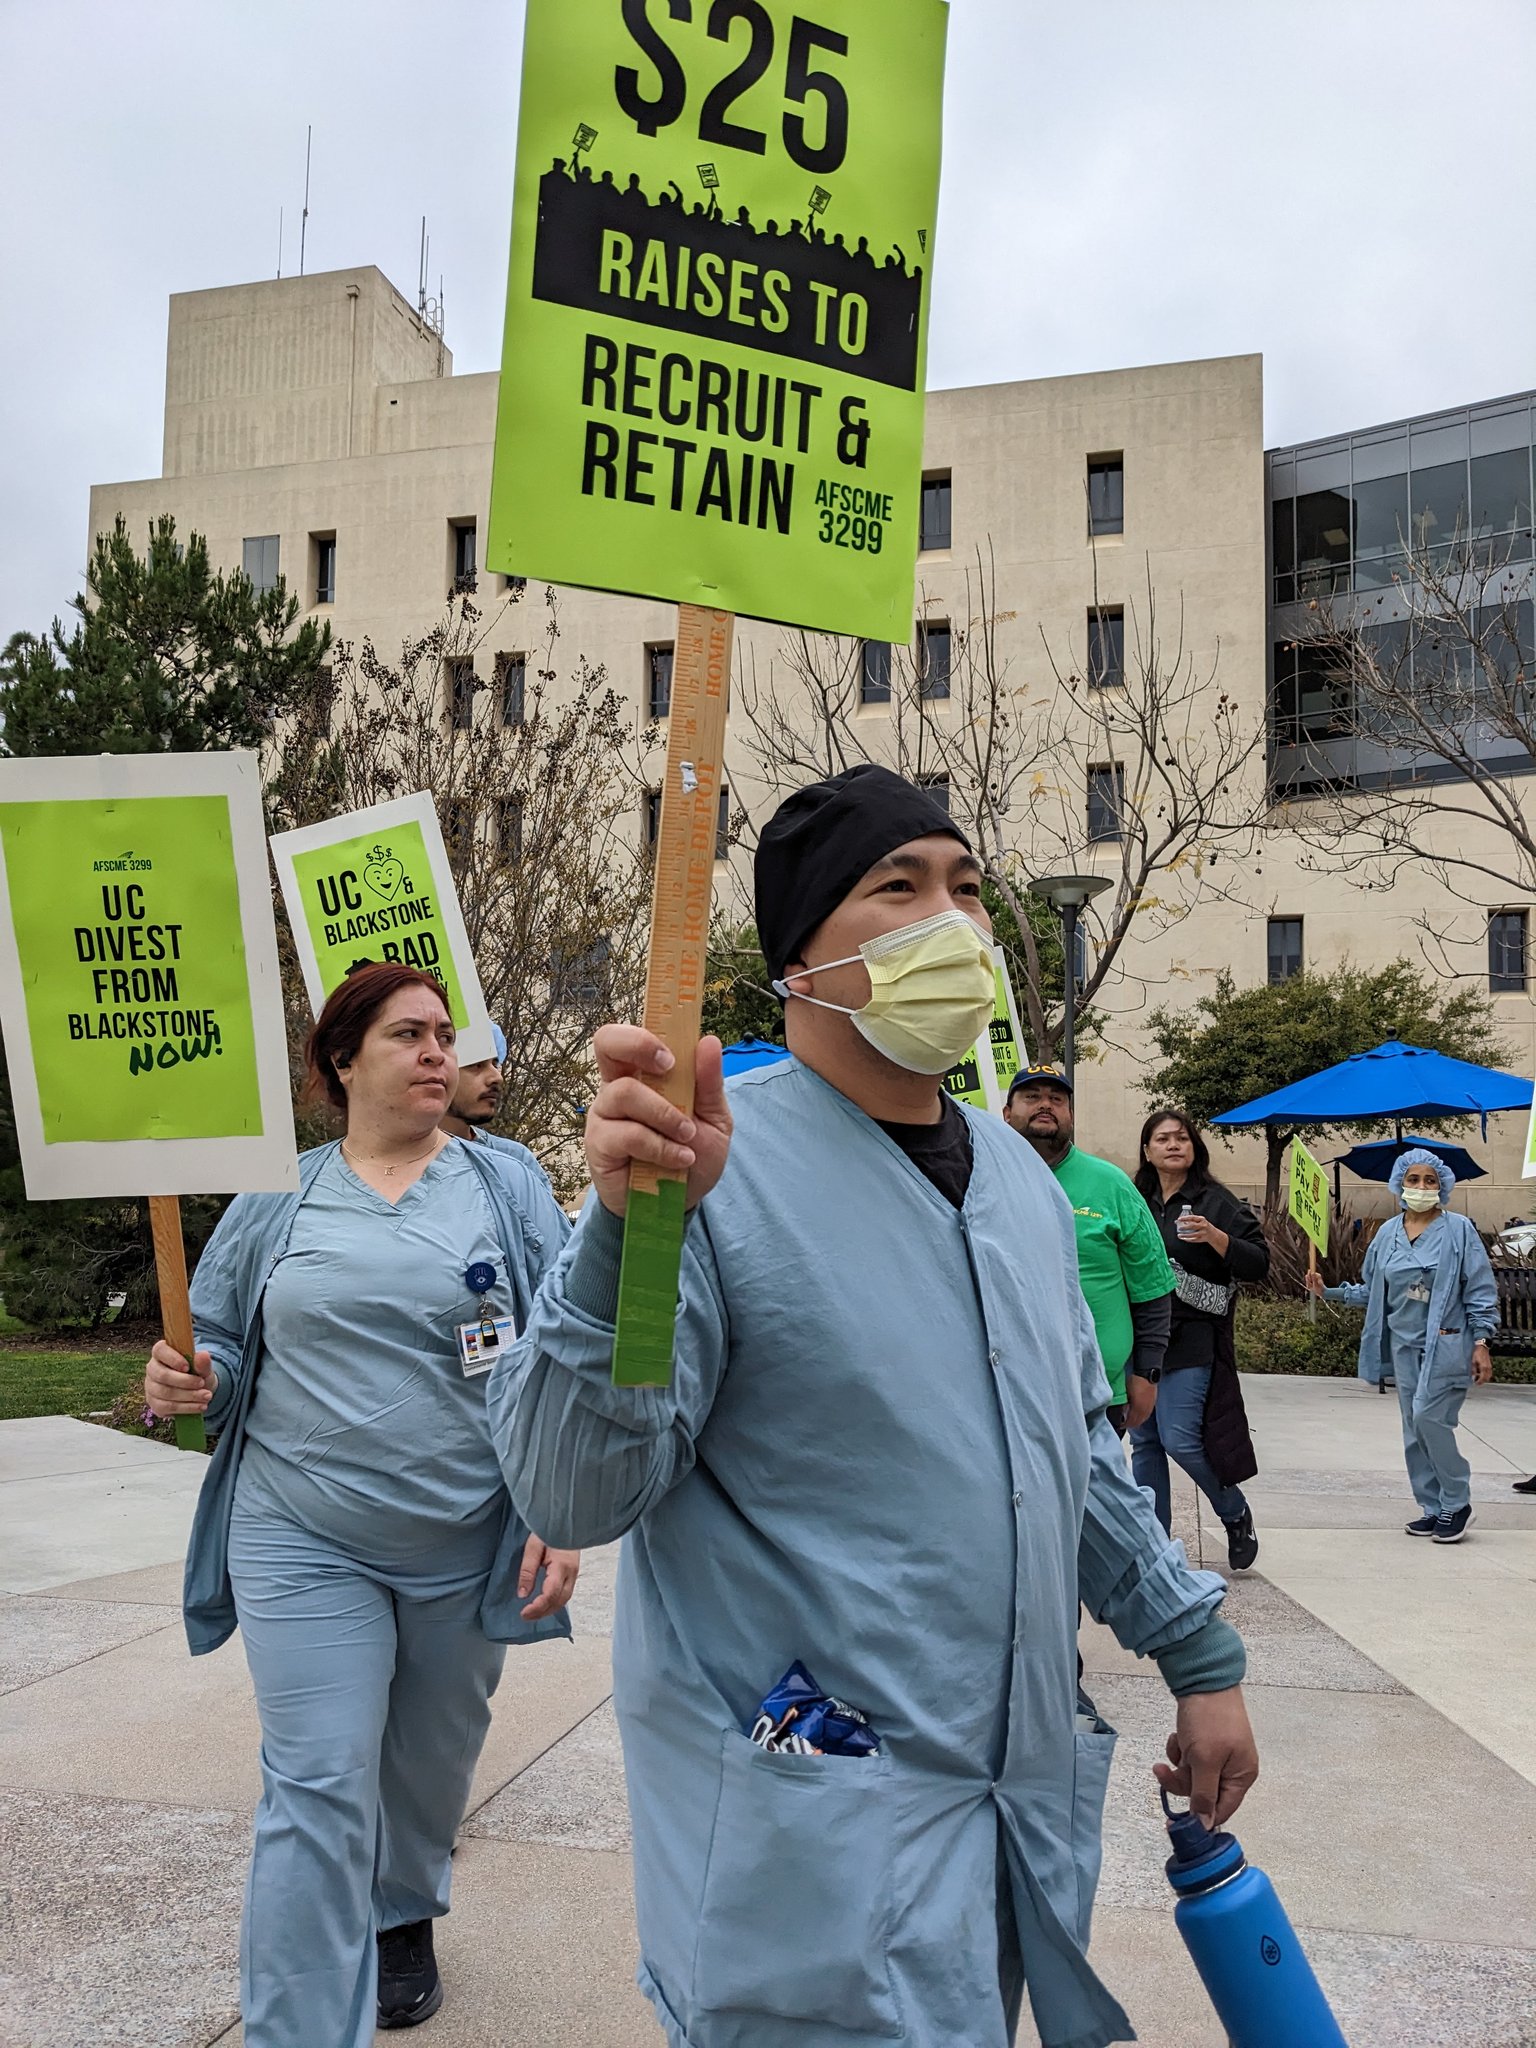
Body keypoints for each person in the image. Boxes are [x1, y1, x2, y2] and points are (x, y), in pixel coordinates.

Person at [490, 765, 1258, 2048]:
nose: (949, 923)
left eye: (965, 887)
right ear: (798, 957)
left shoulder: (1018, 1179)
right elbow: (572, 1489)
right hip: (810, 1784)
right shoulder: (700, 1166)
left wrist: (1198, 1651)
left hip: (998, 1780)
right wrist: (629, 1231)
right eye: (895, 888)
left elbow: (1062, 1453)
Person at [144, 963, 580, 2046]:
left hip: (464, 1538)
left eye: (444, 1034)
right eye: (409, 1035)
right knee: (317, 1784)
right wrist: (190, 1380)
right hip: (303, 1535)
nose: (439, 1051)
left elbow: (567, 1346)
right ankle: (298, 2026)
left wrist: (558, 1502)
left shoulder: (506, 1183)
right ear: (342, 1063)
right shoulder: (275, 1194)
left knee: (428, 1767)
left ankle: (401, 1904)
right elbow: (225, 1348)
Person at [1307, 1148, 1496, 1543]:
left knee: (1430, 1419)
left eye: (1430, 1181)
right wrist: (1331, 1292)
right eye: (1414, 1180)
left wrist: (1481, 1341)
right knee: (1413, 1429)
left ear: (1442, 1186)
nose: (1422, 1187)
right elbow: (1374, 1290)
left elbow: (1480, 1289)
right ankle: (1432, 1506)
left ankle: (1457, 1501)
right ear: (1399, 1185)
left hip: (1446, 1344)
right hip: (1403, 1347)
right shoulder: (1387, 1234)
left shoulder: (1459, 1230)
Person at [1004, 1063, 1173, 1435]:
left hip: (1097, 1396)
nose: (1044, 1105)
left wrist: (1147, 1373)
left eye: (1056, 1099)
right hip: (1008, 1393)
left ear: (1071, 1115)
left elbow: (1152, 1287)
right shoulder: (983, 1178)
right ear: (1006, 1114)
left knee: (1094, 1495)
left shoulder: (1110, 1184)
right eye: (1031, 1097)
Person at [1132, 1110, 1267, 1571]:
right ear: (1147, 1150)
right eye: (1162, 1138)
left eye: (1182, 1138)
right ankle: (1154, 1546)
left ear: (1195, 1148)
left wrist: (1216, 1237)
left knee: (1180, 1440)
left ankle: (1234, 1512)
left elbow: (1258, 1263)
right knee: (1145, 1441)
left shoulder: (1216, 1201)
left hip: (1191, 1337)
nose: (1173, 1145)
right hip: (1136, 1337)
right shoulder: (1134, 1197)